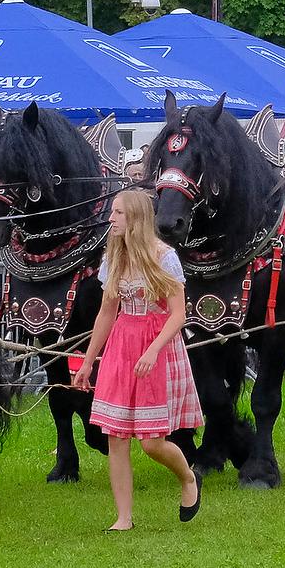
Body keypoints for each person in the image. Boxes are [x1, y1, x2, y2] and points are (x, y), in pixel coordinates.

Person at [73, 188, 204, 530]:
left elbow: (178, 314)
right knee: (115, 437)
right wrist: (88, 361)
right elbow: (106, 314)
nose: (111, 219)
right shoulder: (113, 258)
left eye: (117, 213)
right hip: (122, 343)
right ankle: (123, 518)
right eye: (112, 213)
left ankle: (188, 477)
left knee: (151, 442)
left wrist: (153, 348)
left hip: (155, 343)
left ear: (135, 218)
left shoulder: (164, 257)